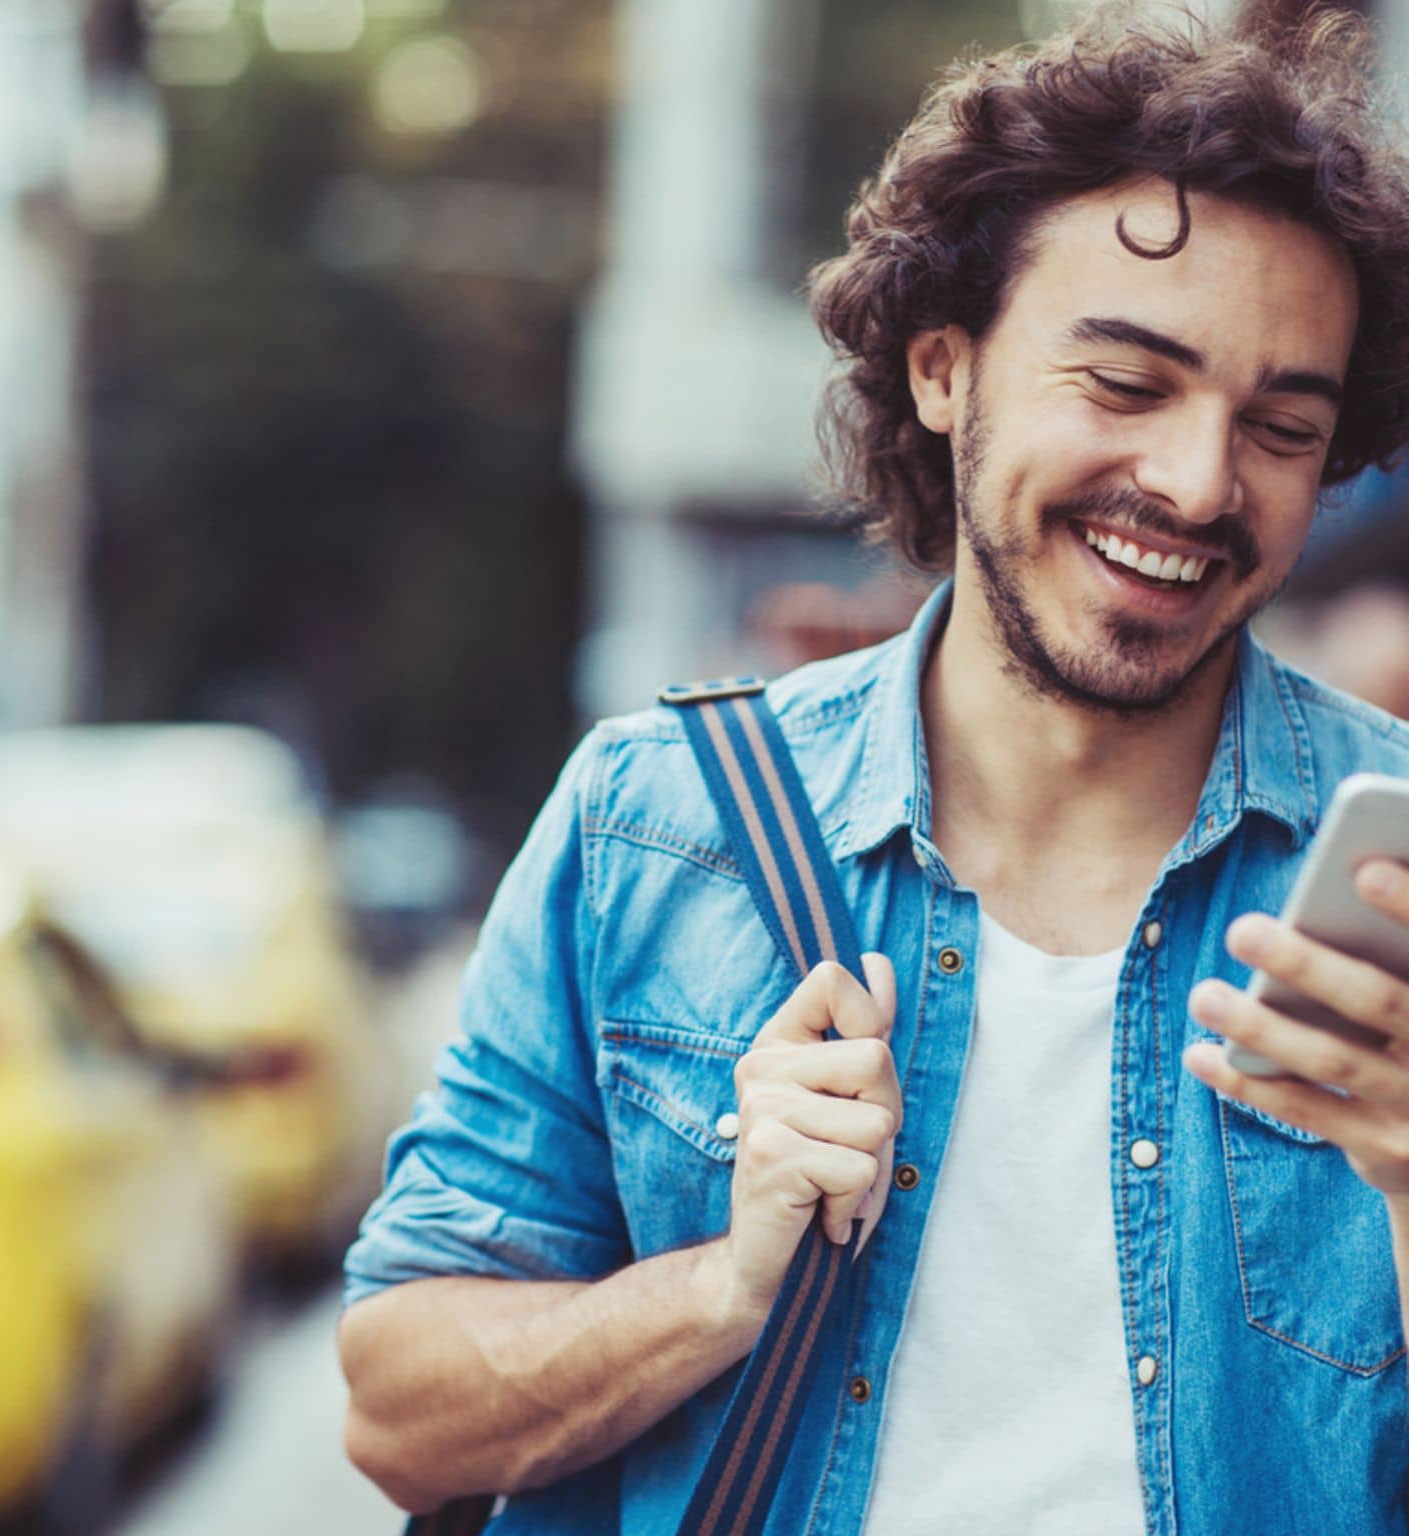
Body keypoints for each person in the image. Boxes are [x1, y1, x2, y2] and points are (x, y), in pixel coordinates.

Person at [338, 6, 1409, 1532]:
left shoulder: (1392, 883)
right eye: (1123, 383)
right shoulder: (657, 821)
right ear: (941, 369)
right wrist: (719, 1287)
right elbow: (396, 1409)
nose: (1195, 480)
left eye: (1283, 427)